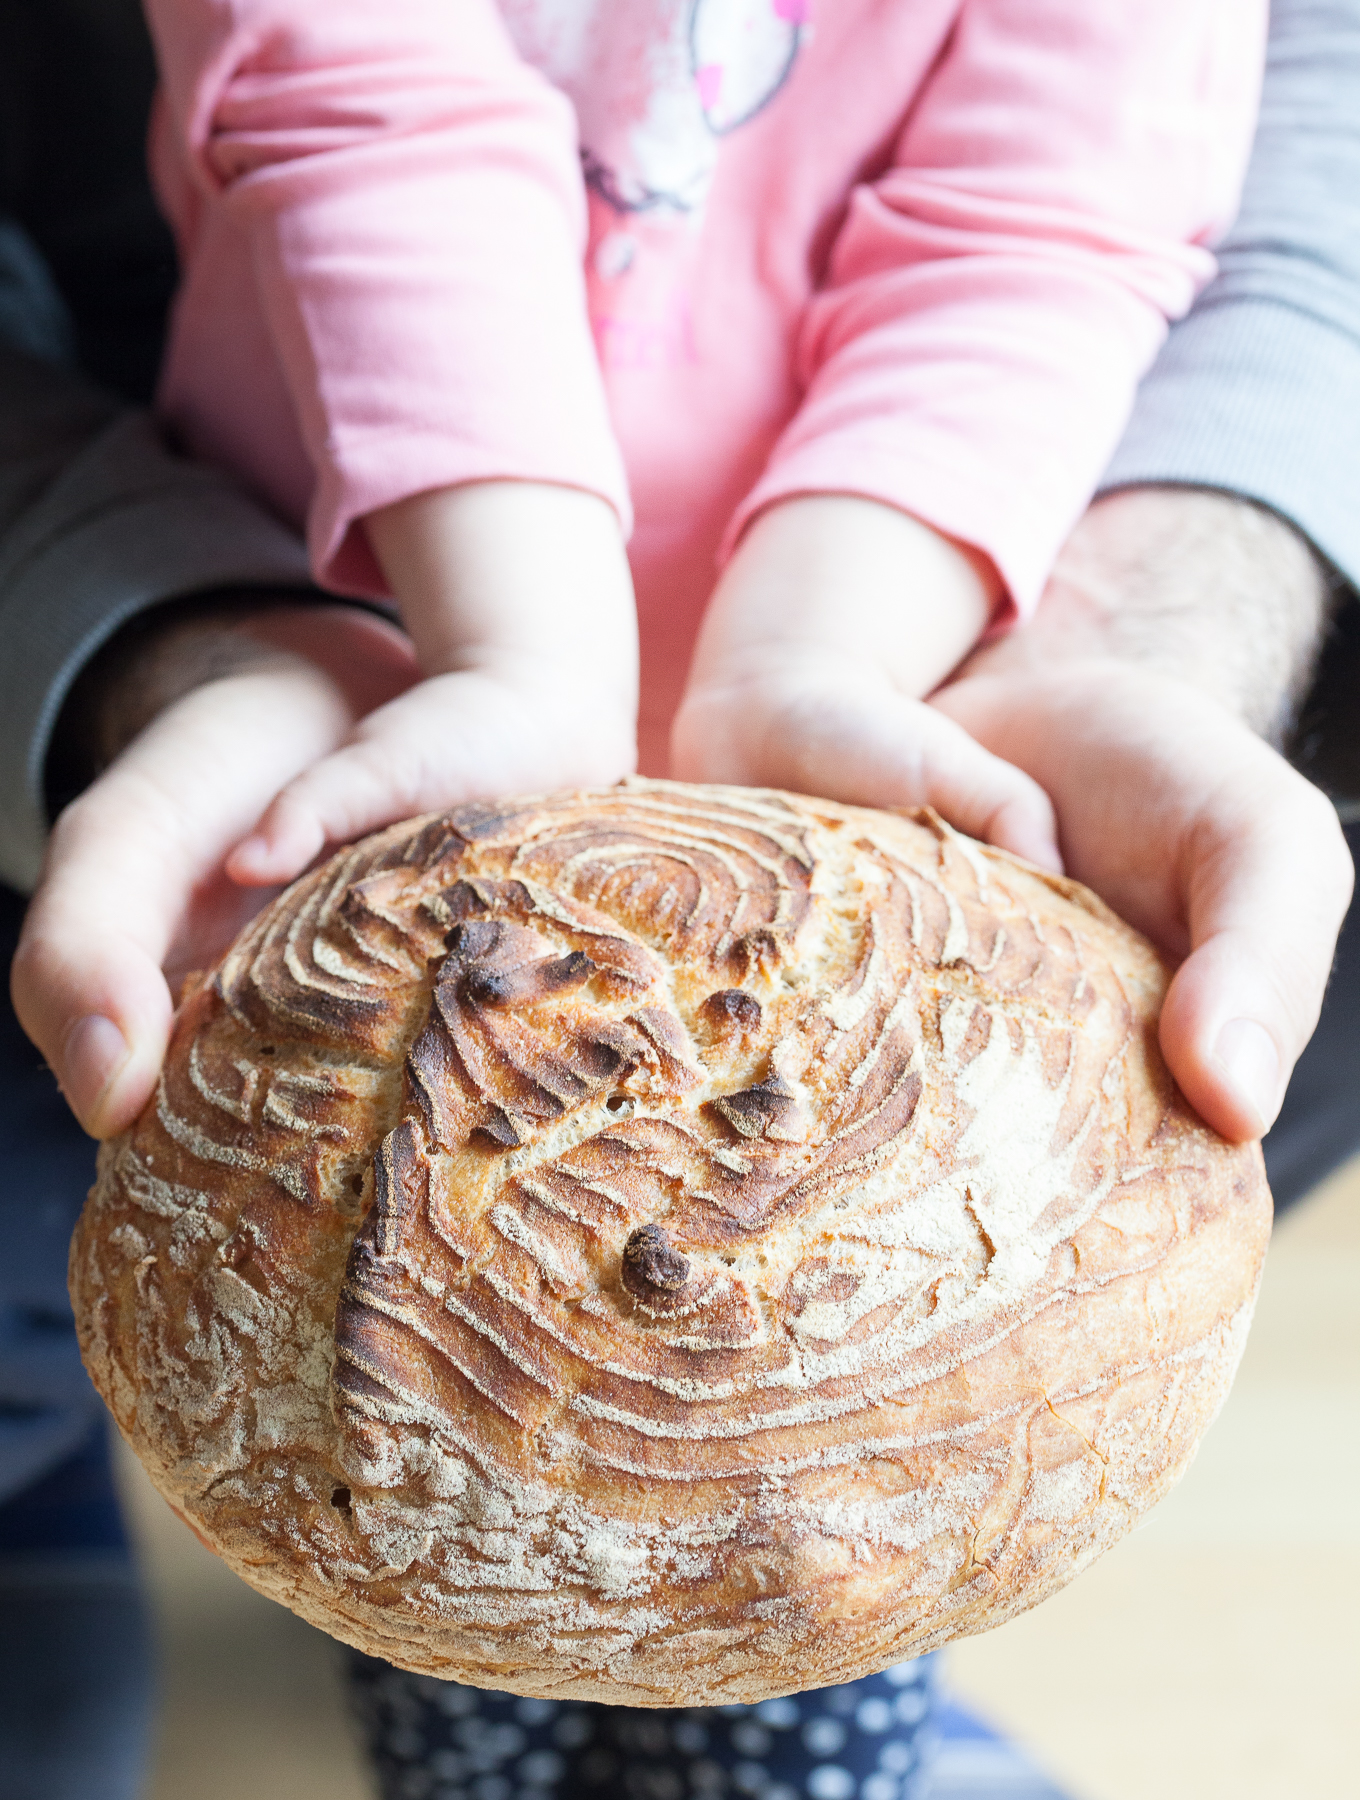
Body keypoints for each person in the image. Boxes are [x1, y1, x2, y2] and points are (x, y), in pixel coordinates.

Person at [1, 0, 1358, 1796]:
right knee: (406, 1445)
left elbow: (1058, 188)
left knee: (808, 1437)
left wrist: (827, 640)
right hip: (344, 649)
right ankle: (120, 1523)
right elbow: (349, 85)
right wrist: (520, 637)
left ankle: (793, 1723)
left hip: (892, 728)